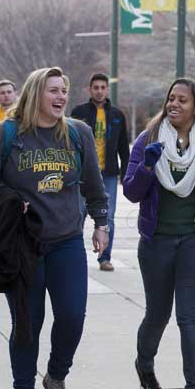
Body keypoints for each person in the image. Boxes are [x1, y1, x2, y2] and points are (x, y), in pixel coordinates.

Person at [0, 66, 109, 389]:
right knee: (28, 322)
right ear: (34, 94)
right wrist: (7, 198)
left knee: (72, 317)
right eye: (53, 90)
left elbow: (94, 186)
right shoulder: (4, 134)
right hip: (22, 245)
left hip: (67, 240)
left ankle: (56, 375)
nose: (61, 96)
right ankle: (23, 384)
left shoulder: (77, 133)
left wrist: (102, 223)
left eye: (63, 90)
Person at [123, 78, 195, 389]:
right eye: (171, 98)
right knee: (157, 316)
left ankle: (193, 385)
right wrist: (146, 167)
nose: (174, 104)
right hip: (157, 241)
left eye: (182, 100)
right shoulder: (149, 139)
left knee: (190, 317)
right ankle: (144, 362)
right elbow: (131, 192)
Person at [70, 72, 130, 271]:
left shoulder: (117, 115)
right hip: (83, 173)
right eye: (95, 87)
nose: (99, 91)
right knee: (79, 213)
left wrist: (127, 173)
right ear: (90, 89)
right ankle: (73, 254)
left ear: (107, 89)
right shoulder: (79, 112)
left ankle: (105, 257)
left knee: (108, 215)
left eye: (102, 87)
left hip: (109, 173)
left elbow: (123, 146)